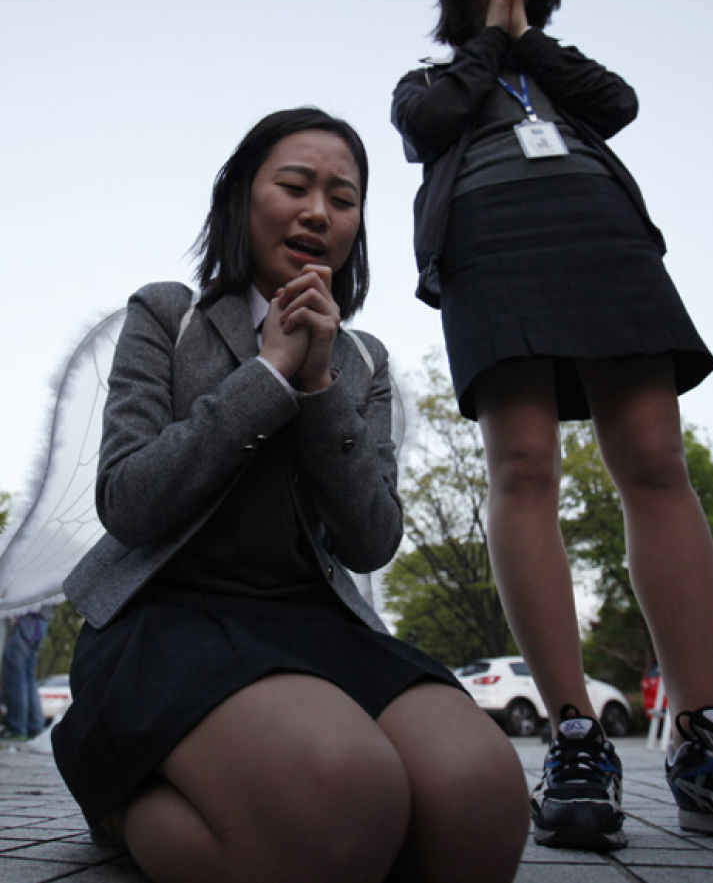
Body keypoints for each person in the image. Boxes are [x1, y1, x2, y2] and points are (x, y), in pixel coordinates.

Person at [391, 0, 713, 858]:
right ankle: (574, 738)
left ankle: (706, 743)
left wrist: (527, 41)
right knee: (523, 466)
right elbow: (429, 124)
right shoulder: (432, 79)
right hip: (491, 244)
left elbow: (618, 103)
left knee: (653, 458)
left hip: (602, 235)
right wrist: (490, 43)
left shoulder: (558, 70)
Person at [51, 108, 530, 883]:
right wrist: (267, 376)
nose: (318, 211)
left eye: (343, 198)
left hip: (312, 621)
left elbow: (372, 539)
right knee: (341, 800)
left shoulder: (363, 361)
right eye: (295, 185)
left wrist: (317, 385)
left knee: (481, 803)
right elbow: (128, 501)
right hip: (167, 619)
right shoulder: (167, 315)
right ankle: (120, 795)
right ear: (241, 198)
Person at [0, 611, 48, 741]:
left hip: (24, 620)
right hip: (41, 621)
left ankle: (16, 727)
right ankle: (35, 726)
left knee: (16, 677)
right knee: (28, 676)